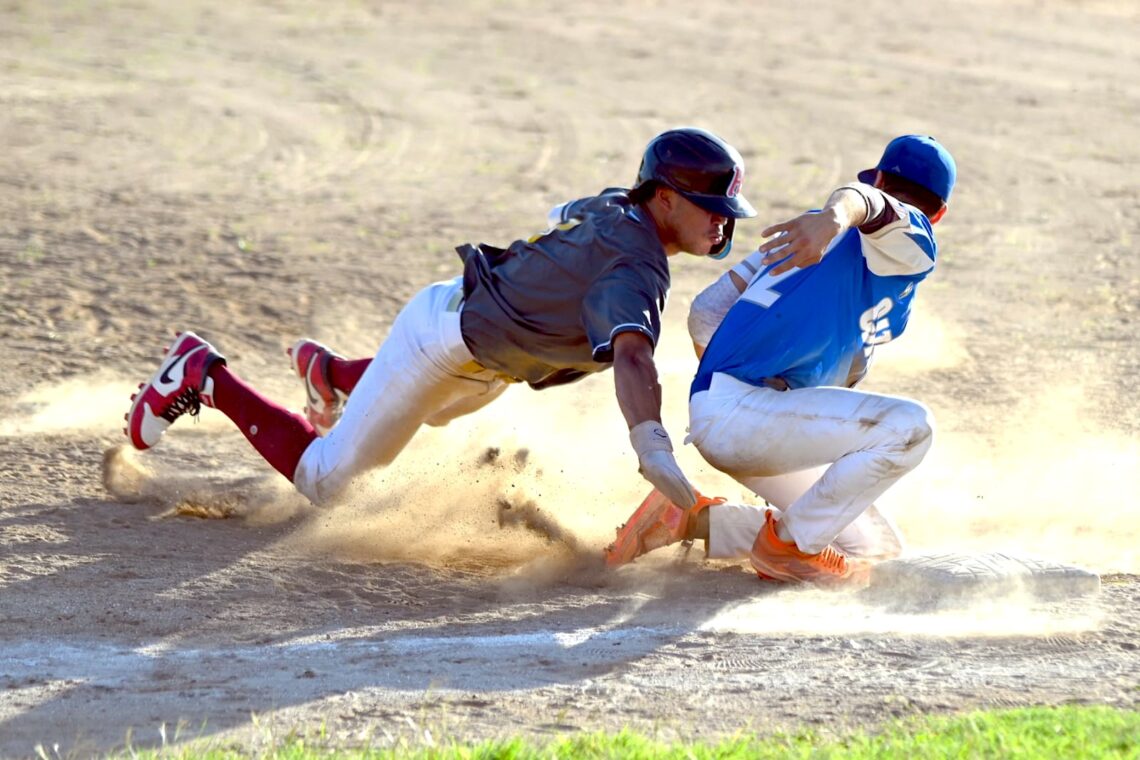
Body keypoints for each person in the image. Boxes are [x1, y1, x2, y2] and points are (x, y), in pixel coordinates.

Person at [123, 127, 756, 510]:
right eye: (710, 206)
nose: (722, 221)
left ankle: (333, 376)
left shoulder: (620, 204)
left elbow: (564, 212)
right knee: (327, 484)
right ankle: (204, 374)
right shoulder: (637, 263)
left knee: (435, 413)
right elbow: (633, 355)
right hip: (443, 344)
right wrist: (651, 444)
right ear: (664, 198)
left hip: (482, 353)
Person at [605, 135, 957, 586]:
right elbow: (866, 201)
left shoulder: (804, 238)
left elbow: (706, 312)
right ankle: (786, 548)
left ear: (882, 176)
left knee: (875, 550)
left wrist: (729, 394)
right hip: (747, 414)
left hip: (756, 418)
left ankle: (692, 519)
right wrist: (835, 217)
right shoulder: (908, 241)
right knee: (912, 428)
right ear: (938, 213)